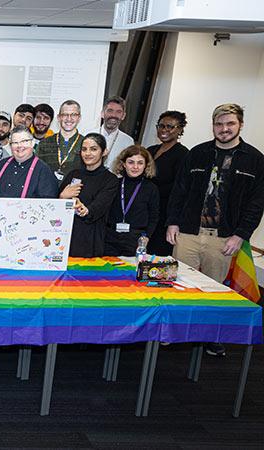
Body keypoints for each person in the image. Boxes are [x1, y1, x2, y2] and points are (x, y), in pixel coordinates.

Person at [167, 104, 264, 357]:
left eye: (230, 124)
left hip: (223, 238)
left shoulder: (255, 160)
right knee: (179, 286)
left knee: (214, 290)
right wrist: (172, 222)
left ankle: (210, 336)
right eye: (219, 124)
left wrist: (240, 234)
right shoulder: (197, 154)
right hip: (188, 232)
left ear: (240, 124)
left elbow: (256, 204)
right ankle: (174, 333)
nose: (224, 129)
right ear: (213, 125)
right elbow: (179, 191)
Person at [58, 133, 119, 258]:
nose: (88, 153)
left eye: (94, 149)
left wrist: (83, 209)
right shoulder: (73, 174)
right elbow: (55, 206)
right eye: (84, 149)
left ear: (104, 152)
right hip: (66, 235)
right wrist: (62, 197)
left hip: (90, 238)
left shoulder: (110, 179)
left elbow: (98, 207)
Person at [104, 146, 159, 256]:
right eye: (131, 162)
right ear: (123, 164)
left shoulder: (151, 188)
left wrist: (146, 236)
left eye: (140, 163)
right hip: (110, 238)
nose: (135, 167)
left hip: (136, 240)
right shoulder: (114, 184)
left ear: (146, 165)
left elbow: (154, 216)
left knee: (130, 272)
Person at [147, 110, 189, 256]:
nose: (164, 130)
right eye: (161, 126)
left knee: (157, 256)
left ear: (180, 129)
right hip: (145, 211)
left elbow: (179, 188)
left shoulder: (183, 154)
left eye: (170, 127)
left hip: (165, 214)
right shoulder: (150, 151)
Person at [0, 126, 58, 199]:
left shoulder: (43, 171)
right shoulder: (1, 165)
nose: (19, 146)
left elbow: (48, 205)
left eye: (24, 141)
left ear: (32, 143)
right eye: (15, 142)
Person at [37, 99, 85, 180]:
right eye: (65, 114)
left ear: (79, 118)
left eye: (73, 115)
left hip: (75, 191)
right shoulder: (44, 143)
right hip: (47, 190)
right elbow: (36, 171)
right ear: (59, 118)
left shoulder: (86, 143)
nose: (69, 119)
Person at [89, 96, 135, 168]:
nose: (114, 115)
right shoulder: (88, 135)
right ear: (102, 113)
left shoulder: (128, 141)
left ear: (123, 116)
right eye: (110, 111)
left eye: (118, 112)